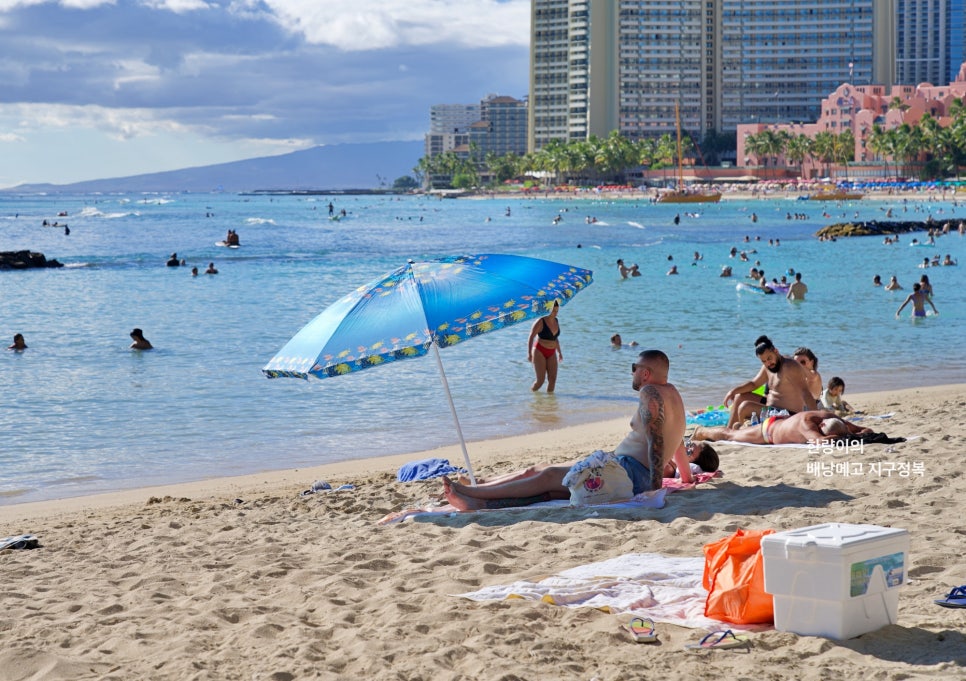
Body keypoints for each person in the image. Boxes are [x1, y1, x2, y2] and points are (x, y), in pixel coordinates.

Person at [442, 350, 697, 510]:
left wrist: (654, 490)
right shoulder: (673, 393)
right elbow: (676, 442)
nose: (631, 372)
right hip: (626, 468)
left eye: (634, 367)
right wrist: (686, 478)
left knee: (550, 474)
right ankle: (483, 497)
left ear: (645, 373)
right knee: (549, 483)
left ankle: (473, 492)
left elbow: (657, 440)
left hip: (630, 473)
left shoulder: (649, 392)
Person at [722, 335, 817, 427]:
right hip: (770, 408)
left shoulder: (789, 366)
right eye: (763, 361)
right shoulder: (768, 367)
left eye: (769, 358)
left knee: (745, 406)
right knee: (740, 397)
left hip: (788, 414)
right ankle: (729, 431)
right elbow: (754, 384)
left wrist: (817, 418)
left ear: (776, 351)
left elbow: (805, 393)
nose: (768, 363)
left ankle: (736, 433)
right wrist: (733, 391)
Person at [691, 410, 873, 446]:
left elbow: (865, 430)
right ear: (821, 425)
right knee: (730, 435)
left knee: (738, 432)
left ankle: (742, 426)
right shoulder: (807, 426)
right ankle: (701, 432)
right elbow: (819, 441)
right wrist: (842, 437)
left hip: (782, 421)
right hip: (768, 431)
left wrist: (851, 433)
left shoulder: (831, 417)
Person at [527, 300, 562, 392]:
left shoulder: (556, 321)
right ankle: (532, 396)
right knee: (540, 381)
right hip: (540, 351)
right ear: (548, 309)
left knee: (552, 379)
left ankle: (549, 405)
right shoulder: (541, 321)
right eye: (554, 311)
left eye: (557, 311)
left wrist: (559, 352)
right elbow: (531, 337)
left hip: (552, 352)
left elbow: (555, 338)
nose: (556, 313)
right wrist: (530, 353)